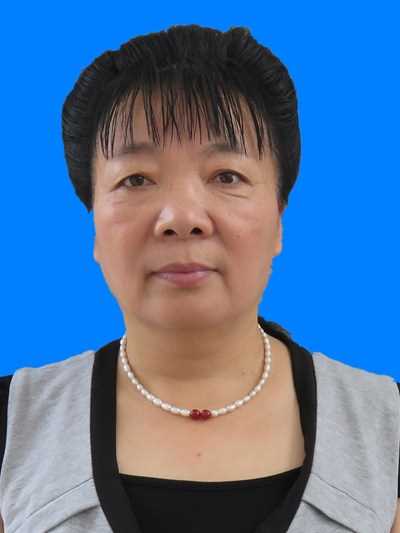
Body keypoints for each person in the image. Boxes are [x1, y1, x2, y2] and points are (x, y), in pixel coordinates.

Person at [0, 23, 399, 533]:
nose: (182, 216)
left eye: (226, 176)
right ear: (94, 222)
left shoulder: (387, 427)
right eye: (136, 179)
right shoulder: (15, 427)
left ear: (279, 216)